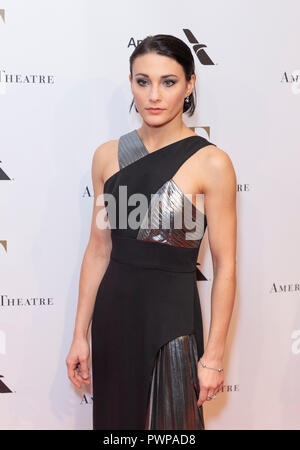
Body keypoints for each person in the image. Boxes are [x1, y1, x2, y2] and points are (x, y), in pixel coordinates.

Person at [66, 34, 237, 430]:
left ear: (190, 84)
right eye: (142, 81)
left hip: (172, 323)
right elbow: (98, 250)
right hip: (113, 318)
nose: (154, 95)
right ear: (131, 84)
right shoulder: (107, 156)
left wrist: (213, 356)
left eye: (168, 81)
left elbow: (225, 267)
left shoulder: (211, 163)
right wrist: (79, 334)